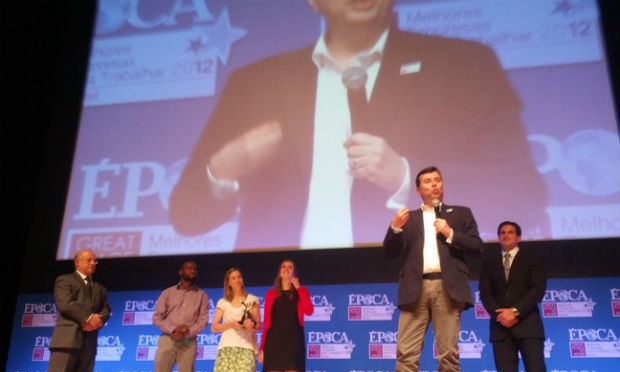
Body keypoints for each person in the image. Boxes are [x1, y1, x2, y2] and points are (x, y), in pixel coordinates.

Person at [169, 0, 548, 251]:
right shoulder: (255, 82)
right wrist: (221, 171)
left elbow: (523, 197)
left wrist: (404, 176)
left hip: (415, 285)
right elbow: (187, 217)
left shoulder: (463, 65)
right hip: (286, 291)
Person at [383, 166, 483, 372]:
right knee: (406, 354)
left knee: (448, 355)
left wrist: (450, 233)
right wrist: (395, 228)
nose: (434, 184)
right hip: (414, 289)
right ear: (418, 190)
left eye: (438, 180)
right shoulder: (409, 218)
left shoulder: (459, 214)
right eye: (428, 181)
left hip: (447, 288)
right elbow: (390, 252)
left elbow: (477, 247)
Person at [478, 221, 557, 372]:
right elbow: (485, 293)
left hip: (528, 327)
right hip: (501, 329)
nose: (506, 235)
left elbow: (537, 289)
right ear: (498, 237)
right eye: (502, 233)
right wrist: (501, 314)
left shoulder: (532, 258)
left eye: (510, 232)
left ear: (519, 237)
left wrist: (514, 312)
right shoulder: (489, 262)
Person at [41, 249, 111, 372]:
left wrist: (99, 319)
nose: (93, 263)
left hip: (88, 345)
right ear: (77, 262)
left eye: (95, 260)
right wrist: (88, 319)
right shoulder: (64, 281)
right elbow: (66, 305)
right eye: (89, 260)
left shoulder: (99, 288)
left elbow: (106, 308)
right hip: (66, 342)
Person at [147, 260, 209, 372]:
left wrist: (186, 332)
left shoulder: (202, 295)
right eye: (189, 268)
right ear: (181, 272)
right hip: (168, 340)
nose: (192, 270)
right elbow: (156, 317)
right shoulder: (168, 292)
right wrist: (174, 330)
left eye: (195, 268)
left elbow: (203, 322)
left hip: (188, 341)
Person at [258, 260, 314, 372]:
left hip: (293, 342)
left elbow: (309, 310)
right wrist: (262, 347)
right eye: (283, 266)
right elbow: (267, 323)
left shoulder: (300, 292)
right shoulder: (271, 294)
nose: (286, 269)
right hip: (274, 342)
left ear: (294, 273)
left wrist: (299, 287)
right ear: (279, 272)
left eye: (290, 267)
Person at [209, 267, 261, 372]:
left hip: (245, 348)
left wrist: (249, 325)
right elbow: (214, 327)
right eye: (234, 278)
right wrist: (231, 325)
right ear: (228, 282)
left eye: (239, 276)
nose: (237, 279)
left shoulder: (252, 300)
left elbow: (258, 326)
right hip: (226, 349)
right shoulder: (223, 302)